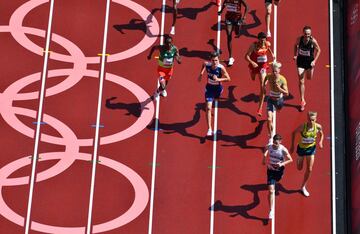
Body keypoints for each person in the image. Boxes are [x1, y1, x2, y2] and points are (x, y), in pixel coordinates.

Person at [290, 111, 324, 197]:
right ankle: (298, 159)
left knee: (310, 169)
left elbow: (321, 134)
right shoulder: (303, 127)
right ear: (307, 119)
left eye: (313, 120)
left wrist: (320, 142)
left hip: (311, 149)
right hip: (301, 149)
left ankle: (303, 186)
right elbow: (293, 133)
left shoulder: (318, 127)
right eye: (310, 119)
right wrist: (292, 146)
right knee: (299, 168)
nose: (311, 121)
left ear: (316, 119)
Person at [198, 51, 231, 136]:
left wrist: (219, 79)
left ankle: (217, 96)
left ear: (218, 60)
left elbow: (228, 78)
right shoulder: (207, 64)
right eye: (213, 60)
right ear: (210, 60)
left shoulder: (221, 68)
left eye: (216, 60)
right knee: (209, 108)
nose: (215, 62)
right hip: (209, 89)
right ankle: (209, 128)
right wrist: (201, 73)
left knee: (216, 98)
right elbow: (203, 64)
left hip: (218, 89)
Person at [262, 134, 293, 219]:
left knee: (278, 180)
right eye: (274, 143)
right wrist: (264, 159)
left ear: (280, 142)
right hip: (270, 170)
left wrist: (282, 164)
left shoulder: (283, 149)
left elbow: (290, 159)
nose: (275, 145)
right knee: (271, 191)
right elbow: (265, 150)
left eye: (277, 143)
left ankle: (278, 178)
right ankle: (271, 210)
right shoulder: (269, 147)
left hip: (279, 170)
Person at [245, 32, 275, 117]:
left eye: (264, 39)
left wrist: (272, 54)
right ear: (258, 39)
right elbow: (246, 56)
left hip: (263, 66)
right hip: (254, 65)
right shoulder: (253, 46)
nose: (263, 40)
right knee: (253, 77)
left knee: (263, 86)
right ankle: (251, 72)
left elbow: (268, 48)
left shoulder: (267, 44)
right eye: (261, 39)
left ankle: (260, 108)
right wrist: (252, 62)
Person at [293, 26, 321, 111]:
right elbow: (295, 45)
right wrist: (295, 54)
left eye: (308, 34)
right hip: (300, 62)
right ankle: (302, 100)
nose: (307, 35)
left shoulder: (313, 41)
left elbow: (319, 50)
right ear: (303, 33)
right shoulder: (299, 39)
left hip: (309, 62)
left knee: (309, 78)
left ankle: (310, 70)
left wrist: (314, 61)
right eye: (305, 34)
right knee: (301, 80)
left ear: (310, 34)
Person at [218, 0, 249, 66]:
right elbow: (224, 3)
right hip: (228, 18)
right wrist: (221, 11)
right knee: (229, 35)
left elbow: (246, 7)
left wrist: (244, 17)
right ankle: (230, 57)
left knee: (237, 33)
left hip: (237, 19)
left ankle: (238, 27)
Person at [265, 61, 288, 141]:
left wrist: (280, 89)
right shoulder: (269, 76)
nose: (275, 73)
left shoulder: (283, 80)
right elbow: (265, 79)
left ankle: (276, 110)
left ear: (279, 71)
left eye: (276, 72)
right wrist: (264, 86)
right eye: (273, 71)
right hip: (270, 99)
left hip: (279, 100)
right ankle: (270, 136)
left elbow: (287, 93)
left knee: (278, 110)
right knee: (268, 119)